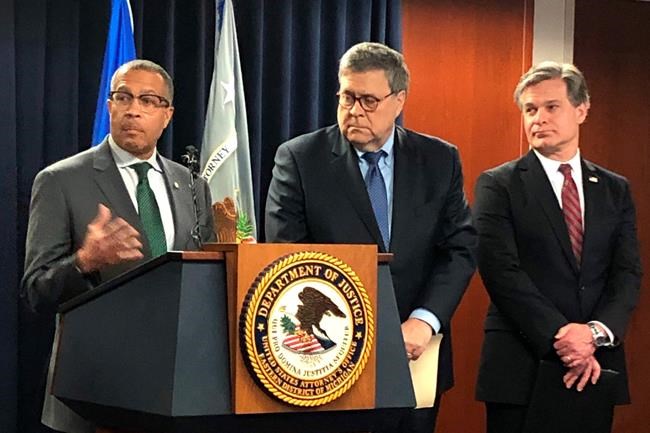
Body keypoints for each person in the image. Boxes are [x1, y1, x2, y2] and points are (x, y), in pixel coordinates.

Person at [265, 42, 476, 433]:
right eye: (347, 97)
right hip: (330, 359)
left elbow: (460, 249)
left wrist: (425, 320)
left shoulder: (439, 160)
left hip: (416, 353)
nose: (354, 111)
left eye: (368, 100)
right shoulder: (300, 159)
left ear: (399, 101)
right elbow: (288, 257)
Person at [21, 59, 215, 433]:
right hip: (93, 393)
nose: (133, 110)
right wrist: (84, 261)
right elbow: (35, 291)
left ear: (167, 115)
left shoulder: (191, 185)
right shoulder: (60, 181)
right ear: (109, 106)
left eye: (148, 100)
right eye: (123, 97)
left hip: (176, 391)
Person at [473, 61, 642, 433]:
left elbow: (627, 273)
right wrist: (564, 338)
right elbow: (501, 273)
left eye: (551, 107)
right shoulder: (498, 185)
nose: (539, 118)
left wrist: (594, 334)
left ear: (581, 110)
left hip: (595, 367)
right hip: (521, 368)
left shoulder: (614, 189)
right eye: (530, 110)